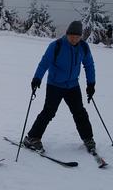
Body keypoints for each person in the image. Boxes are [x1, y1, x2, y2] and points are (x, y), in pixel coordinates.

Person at [23, 20, 97, 154]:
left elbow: (89, 65)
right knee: (49, 112)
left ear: (81, 36)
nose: (74, 39)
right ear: (67, 34)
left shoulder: (84, 47)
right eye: (72, 36)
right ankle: (32, 138)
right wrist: (37, 78)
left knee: (79, 112)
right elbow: (44, 63)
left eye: (77, 36)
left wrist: (91, 84)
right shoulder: (56, 46)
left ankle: (88, 139)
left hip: (73, 85)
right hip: (55, 85)